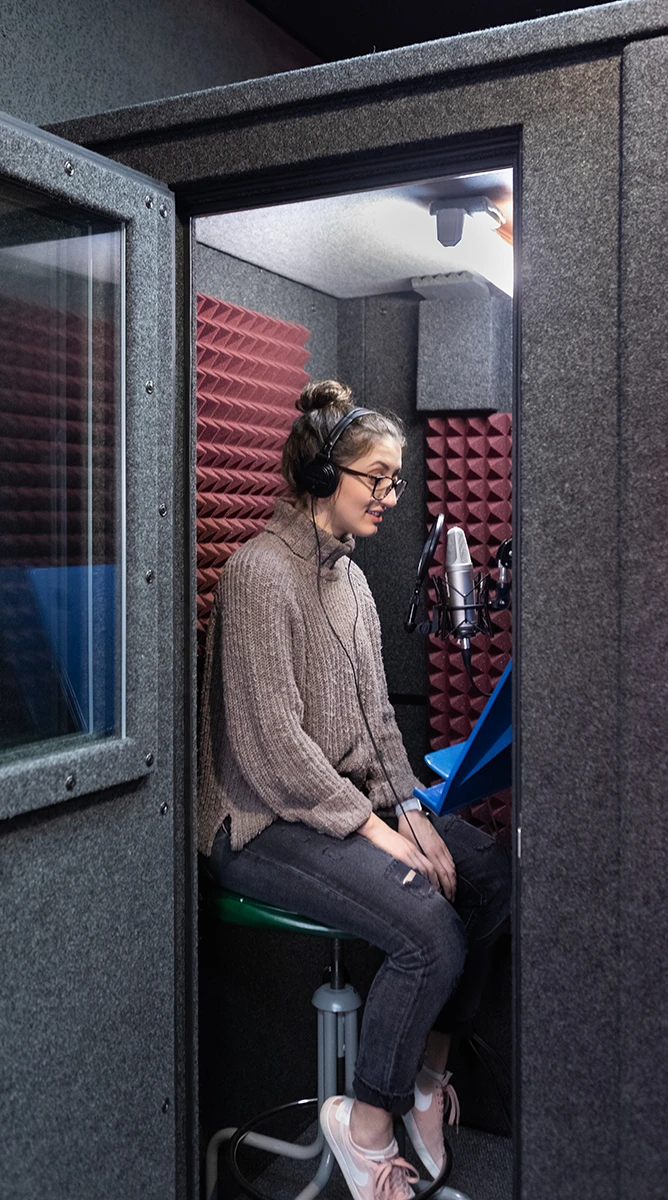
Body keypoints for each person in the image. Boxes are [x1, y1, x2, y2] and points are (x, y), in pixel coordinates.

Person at [198, 379, 511, 1200]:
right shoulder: (259, 576)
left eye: (396, 480)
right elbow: (274, 754)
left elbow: (376, 724)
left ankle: (422, 1074)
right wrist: (383, 837)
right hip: (264, 823)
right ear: (319, 476)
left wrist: (417, 815)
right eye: (376, 477)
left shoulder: (354, 583)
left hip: (338, 809)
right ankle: (365, 1125)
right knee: (430, 931)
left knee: (487, 875)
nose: (390, 496)